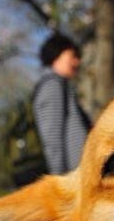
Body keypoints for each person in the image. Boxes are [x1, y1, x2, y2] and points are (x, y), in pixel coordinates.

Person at [34, 32, 91, 174]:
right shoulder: (52, 85)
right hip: (71, 177)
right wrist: (59, 180)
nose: (77, 62)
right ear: (56, 55)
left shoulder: (61, 85)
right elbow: (52, 137)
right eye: (72, 56)